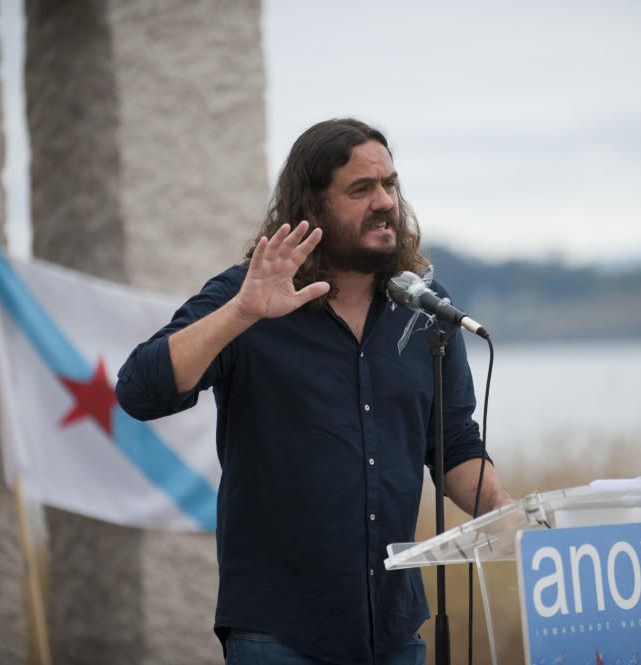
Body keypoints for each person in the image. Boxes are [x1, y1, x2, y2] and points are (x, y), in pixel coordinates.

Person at [116, 118, 510, 665]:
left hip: (395, 629)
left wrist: (506, 509)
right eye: (361, 189)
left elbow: (454, 445)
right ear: (313, 206)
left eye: (390, 185)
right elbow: (140, 390)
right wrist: (242, 314)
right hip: (280, 631)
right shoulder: (247, 293)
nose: (385, 202)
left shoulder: (423, 308)